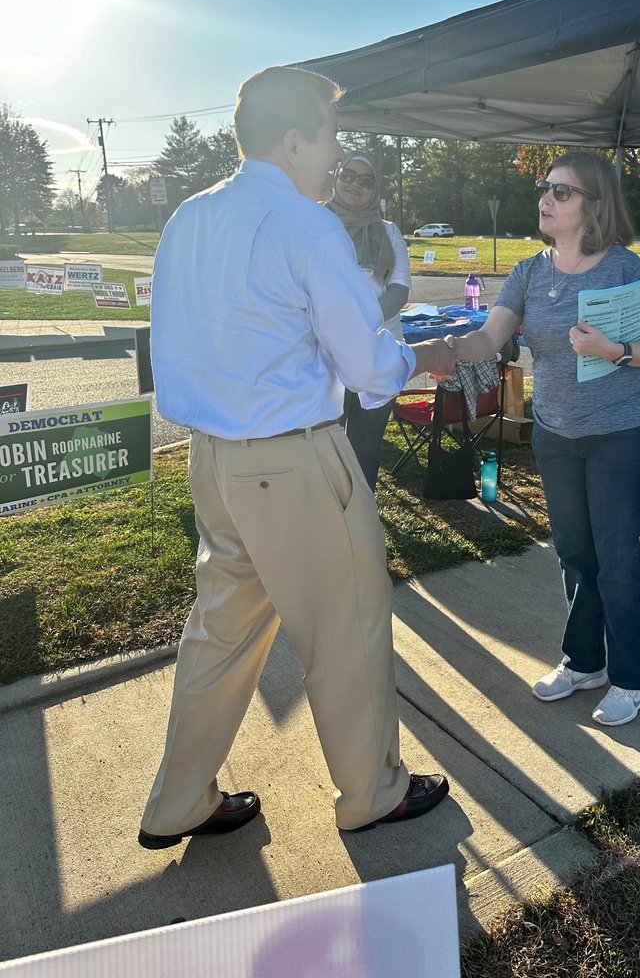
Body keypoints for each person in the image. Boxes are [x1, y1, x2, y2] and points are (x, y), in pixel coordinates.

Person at [139, 66, 454, 847]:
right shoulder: (305, 222)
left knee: (219, 634)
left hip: (211, 457)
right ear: (293, 141)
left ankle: (179, 799)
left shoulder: (188, 216)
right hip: (294, 460)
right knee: (346, 628)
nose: (337, 153)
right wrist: (421, 359)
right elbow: (368, 365)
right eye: (331, 135)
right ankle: (371, 791)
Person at [447, 152, 640, 727]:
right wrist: (425, 354)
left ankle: (632, 679)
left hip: (618, 433)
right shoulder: (528, 273)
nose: (545, 198)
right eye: (544, 188)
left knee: (617, 555)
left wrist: (613, 352)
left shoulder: (626, 269)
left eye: (562, 192)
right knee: (574, 552)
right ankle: (584, 662)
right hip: (554, 433)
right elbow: (488, 338)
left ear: (594, 206)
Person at [326, 153, 410, 489]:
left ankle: (360, 527)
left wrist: (359, 324)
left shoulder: (388, 232)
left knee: (365, 447)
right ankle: (329, 525)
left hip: (378, 351)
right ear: (336, 176)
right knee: (326, 445)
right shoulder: (316, 223)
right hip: (324, 355)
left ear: (376, 188)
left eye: (366, 179)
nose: (355, 184)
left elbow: (399, 288)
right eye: (348, 175)